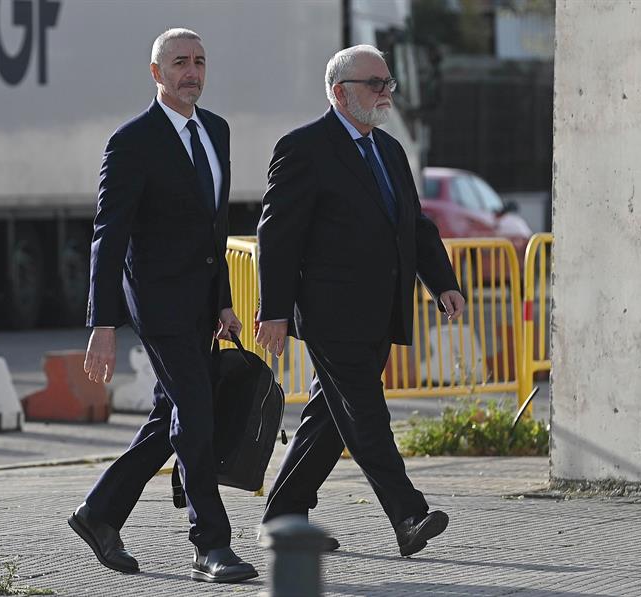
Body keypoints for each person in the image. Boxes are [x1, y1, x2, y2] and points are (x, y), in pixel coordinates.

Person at [255, 45, 466, 557]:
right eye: (375, 84)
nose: (386, 92)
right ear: (340, 92)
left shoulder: (389, 150)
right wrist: (274, 311)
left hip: (380, 310)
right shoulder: (304, 148)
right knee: (367, 415)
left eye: (388, 83)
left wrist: (443, 283)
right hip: (329, 313)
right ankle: (407, 515)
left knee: (329, 420)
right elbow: (277, 235)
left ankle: (282, 519)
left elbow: (414, 225)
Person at [69, 28, 257, 584]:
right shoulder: (132, 141)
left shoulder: (216, 130)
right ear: (156, 73)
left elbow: (214, 227)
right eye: (179, 62)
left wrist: (223, 301)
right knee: (196, 412)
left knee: (170, 415)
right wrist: (103, 323)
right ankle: (210, 544)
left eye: (199, 61)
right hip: (157, 303)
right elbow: (108, 236)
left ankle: (100, 514)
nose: (191, 72)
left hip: (201, 303)